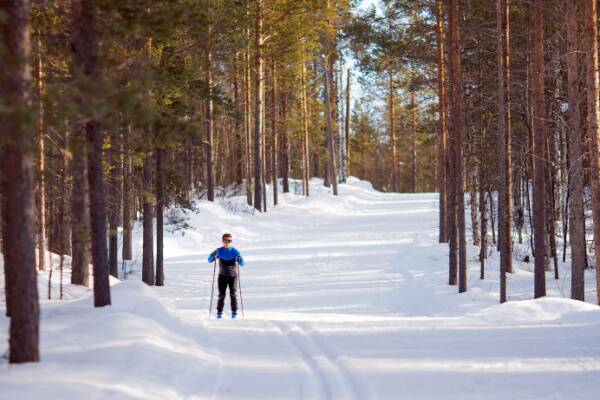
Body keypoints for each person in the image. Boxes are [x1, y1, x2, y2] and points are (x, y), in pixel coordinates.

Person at [208, 233, 245, 319]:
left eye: (229, 241)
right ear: (222, 241)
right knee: (221, 295)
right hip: (222, 276)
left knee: (233, 294)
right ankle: (219, 314)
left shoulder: (235, 251)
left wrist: (240, 259)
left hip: (233, 277)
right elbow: (209, 260)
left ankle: (234, 314)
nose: (227, 243)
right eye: (225, 241)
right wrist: (213, 255)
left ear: (231, 241)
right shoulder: (219, 251)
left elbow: (242, 264)